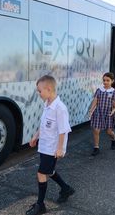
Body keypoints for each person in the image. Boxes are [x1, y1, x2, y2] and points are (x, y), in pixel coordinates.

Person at [26, 75, 75, 215]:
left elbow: (63, 130)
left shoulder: (60, 108)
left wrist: (60, 148)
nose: (38, 93)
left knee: (41, 173)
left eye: (39, 90)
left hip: (53, 148)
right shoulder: (47, 104)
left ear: (48, 89)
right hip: (45, 145)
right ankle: (66, 189)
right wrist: (35, 137)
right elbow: (44, 124)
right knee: (49, 171)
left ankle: (40, 205)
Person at [88, 72, 115, 156]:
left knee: (109, 132)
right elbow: (95, 100)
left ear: (112, 81)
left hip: (108, 113)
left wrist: (113, 110)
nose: (105, 82)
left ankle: (114, 139)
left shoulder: (114, 92)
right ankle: (96, 147)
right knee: (96, 130)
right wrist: (91, 110)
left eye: (107, 80)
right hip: (98, 112)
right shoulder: (99, 90)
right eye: (104, 80)